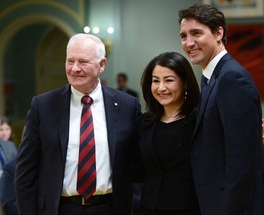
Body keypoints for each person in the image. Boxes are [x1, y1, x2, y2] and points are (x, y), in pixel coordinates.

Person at [15, 33, 141, 215]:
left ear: (102, 65)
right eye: (70, 61)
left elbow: (137, 164)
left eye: (83, 61)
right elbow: (25, 174)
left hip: (110, 207)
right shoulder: (43, 106)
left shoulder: (127, 106)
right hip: (59, 208)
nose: (75, 68)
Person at [178, 4, 264, 215]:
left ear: (219, 33)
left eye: (196, 33)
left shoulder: (231, 78)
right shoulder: (213, 76)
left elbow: (241, 162)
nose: (188, 43)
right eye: (183, 36)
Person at [137, 51, 200, 215]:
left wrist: (262, 145)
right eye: (155, 81)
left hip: (190, 208)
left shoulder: (200, 120)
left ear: (185, 83)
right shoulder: (144, 122)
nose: (161, 87)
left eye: (169, 80)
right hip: (148, 208)